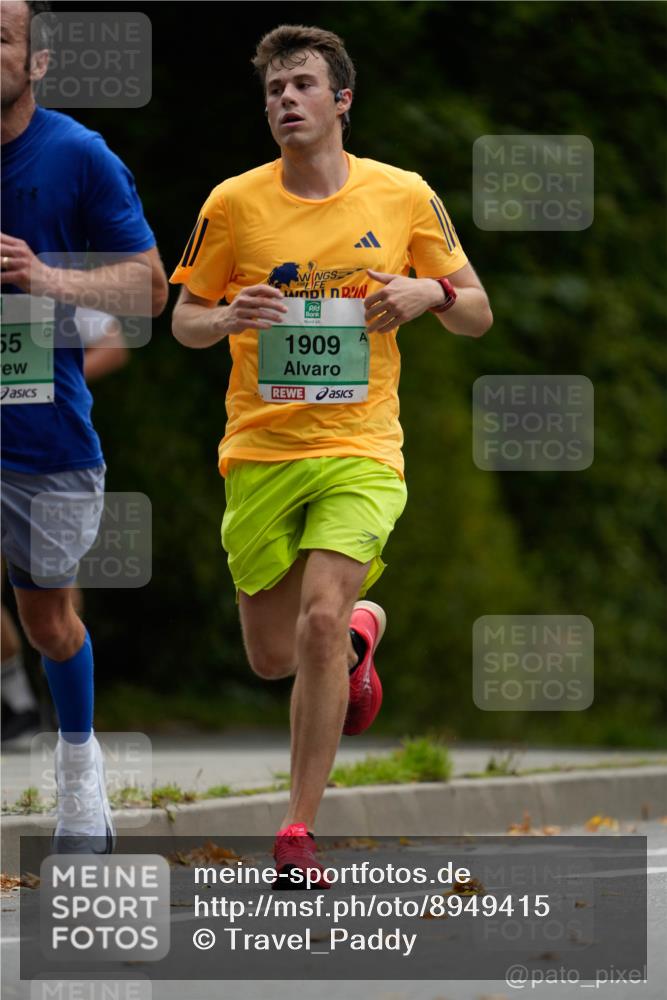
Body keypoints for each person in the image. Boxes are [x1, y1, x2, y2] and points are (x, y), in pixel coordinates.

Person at [171, 24, 491, 885]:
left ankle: (296, 830)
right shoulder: (233, 203)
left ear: (341, 101)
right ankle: (359, 637)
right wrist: (228, 316)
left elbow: (476, 311)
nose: (286, 101)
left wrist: (431, 291)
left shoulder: (402, 195)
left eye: (303, 86)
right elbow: (184, 323)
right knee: (274, 656)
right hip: (261, 449)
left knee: (314, 615)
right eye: (275, 90)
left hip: (361, 446)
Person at [0, 0, 168, 850]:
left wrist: (46, 279)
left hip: (44, 437)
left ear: (38, 63)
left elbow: (149, 289)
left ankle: (78, 777)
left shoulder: (76, 157)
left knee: (48, 624)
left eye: (1, 38)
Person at [1, 307, 129, 749]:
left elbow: (114, 343)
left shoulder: (48, 272)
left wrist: (60, 379)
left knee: (54, 599)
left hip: (50, 453)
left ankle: (63, 697)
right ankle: (17, 700)